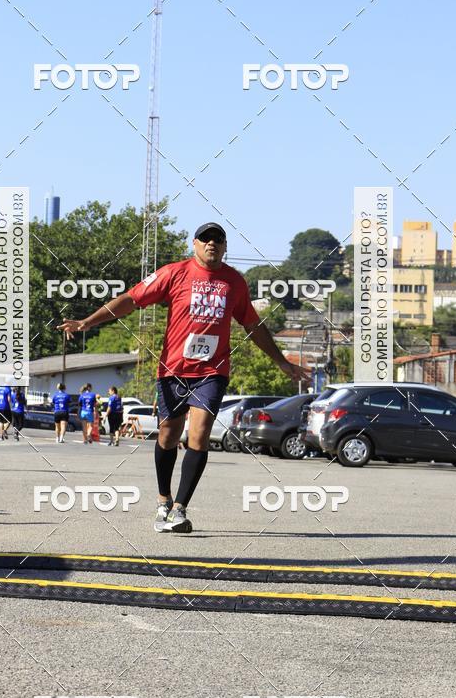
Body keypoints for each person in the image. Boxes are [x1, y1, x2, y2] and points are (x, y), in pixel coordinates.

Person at [59, 221, 295, 533]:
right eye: (205, 239)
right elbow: (131, 299)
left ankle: (180, 509)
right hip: (173, 370)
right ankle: (163, 500)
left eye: (218, 240)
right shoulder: (174, 273)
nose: (212, 244)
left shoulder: (234, 282)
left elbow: (252, 324)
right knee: (168, 435)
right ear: (195, 244)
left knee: (198, 434)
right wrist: (89, 322)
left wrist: (280, 361)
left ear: (225, 247)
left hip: (212, 372)